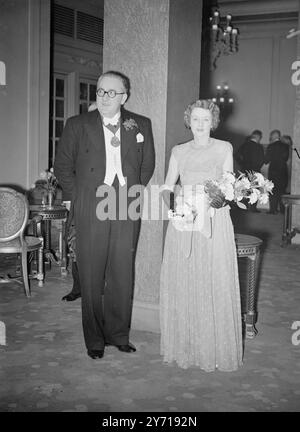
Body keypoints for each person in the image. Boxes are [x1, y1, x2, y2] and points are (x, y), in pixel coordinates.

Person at [54, 70, 155, 359]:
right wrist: (79, 198)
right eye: (100, 91)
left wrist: (131, 190)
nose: (105, 97)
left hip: (126, 201)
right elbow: (63, 166)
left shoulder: (141, 124)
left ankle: (118, 334)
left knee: (122, 270)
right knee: (91, 272)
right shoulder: (77, 124)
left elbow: (147, 164)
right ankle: (95, 340)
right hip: (91, 202)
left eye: (112, 92)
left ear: (124, 96)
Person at [160, 99, 243, 371]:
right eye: (195, 119)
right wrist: (175, 207)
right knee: (186, 279)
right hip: (184, 221)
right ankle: (186, 345)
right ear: (188, 120)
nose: (200, 124)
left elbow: (229, 187)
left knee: (211, 277)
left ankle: (213, 348)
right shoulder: (179, 151)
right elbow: (166, 187)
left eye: (205, 119)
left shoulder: (223, 148)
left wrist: (211, 201)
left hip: (213, 221)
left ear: (213, 121)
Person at [235, 130, 265, 212]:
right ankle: (253, 208)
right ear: (258, 137)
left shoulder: (244, 145)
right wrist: (257, 167)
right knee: (254, 190)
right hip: (255, 171)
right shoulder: (259, 147)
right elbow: (262, 160)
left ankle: (242, 207)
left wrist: (242, 164)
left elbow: (236, 155)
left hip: (244, 170)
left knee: (244, 188)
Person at [265, 129, 289, 214]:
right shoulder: (285, 146)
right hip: (282, 171)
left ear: (273, 136)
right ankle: (283, 210)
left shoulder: (270, 146)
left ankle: (273, 210)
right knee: (282, 191)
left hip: (273, 171)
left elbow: (267, 160)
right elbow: (286, 158)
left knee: (272, 191)